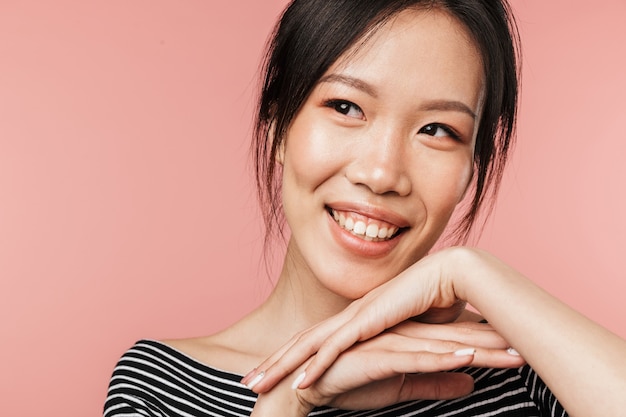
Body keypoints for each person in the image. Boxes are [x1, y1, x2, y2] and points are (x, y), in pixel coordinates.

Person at [104, 0, 626, 416]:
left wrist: (472, 272)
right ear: (278, 126)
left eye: (437, 130)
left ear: (473, 166)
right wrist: (289, 402)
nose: (380, 174)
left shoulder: (520, 361)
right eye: (346, 107)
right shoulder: (161, 386)